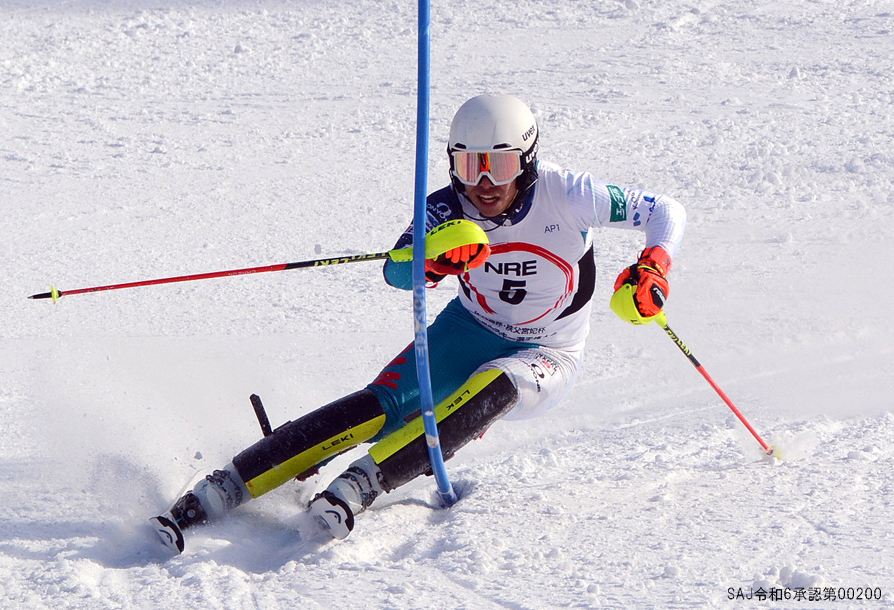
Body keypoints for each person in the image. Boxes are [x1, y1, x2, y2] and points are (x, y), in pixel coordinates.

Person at [151, 94, 686, 553]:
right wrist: (425, 263)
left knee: (496, 385)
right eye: (468, 163)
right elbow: (394, 267)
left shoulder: (569, 194)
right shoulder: (444, 207)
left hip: (549, 349)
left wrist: (654, 265)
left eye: (498, 166)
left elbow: (666, 210)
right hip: (468, 329)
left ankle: (362, 484)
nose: (481, 183)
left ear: (527, 161)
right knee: (378, 406)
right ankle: (223, 488)